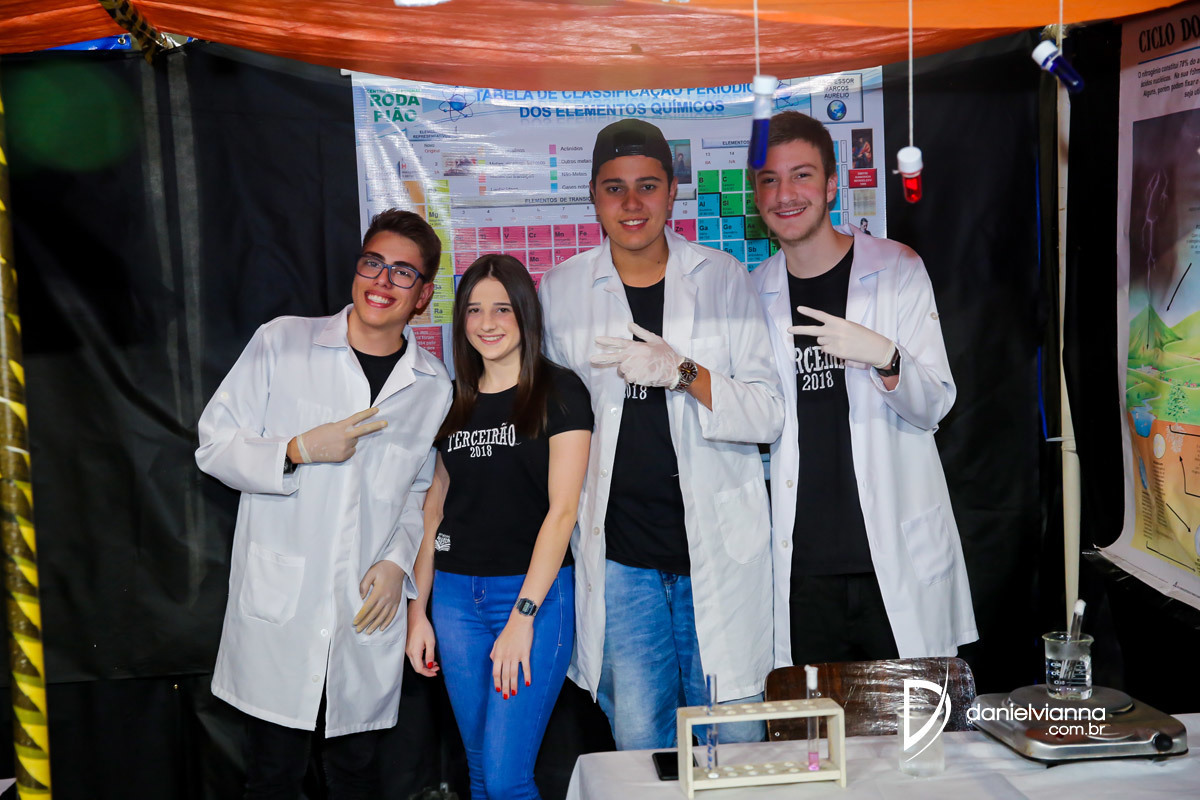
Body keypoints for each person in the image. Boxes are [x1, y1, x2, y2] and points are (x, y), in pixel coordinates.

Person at [538, 118, 784, 750]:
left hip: (718, 554)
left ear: (673, 192)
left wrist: (684, 372)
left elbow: (767, 414)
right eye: (614, 188)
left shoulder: (723, 277)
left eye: (647, 185)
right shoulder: (562, 291)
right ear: (593, 197)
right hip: (621, 563)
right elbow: (551, 430)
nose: (632, 203)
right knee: (641, 749)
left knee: (733, 745)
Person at [195, 209, 452, 799]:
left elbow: (416, 490)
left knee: (356, 774)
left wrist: (397, 563)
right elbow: (214, 444)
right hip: (283, 605)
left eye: (403, 272)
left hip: (364, 608)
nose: (382, 281)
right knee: (274, 777)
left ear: (423, 296)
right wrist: (296, 450)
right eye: (373, 263)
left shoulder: (432, 386)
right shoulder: (283, 342)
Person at [747, 111, 977, 670]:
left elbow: (934, 406)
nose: (785, 194)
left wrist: (886, 356)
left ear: (831, 185)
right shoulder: (754, 293)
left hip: (891, 556)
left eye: (802, 175)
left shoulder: (896, 268)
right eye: (770, 180)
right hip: (804, 566)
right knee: (815, 725)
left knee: (917, 721)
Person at [406, 254, 591, 799]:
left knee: (508, 778)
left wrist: (523, 617)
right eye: (474, 310)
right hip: (455, 600)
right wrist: (418, 613)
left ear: (526, 313)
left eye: (502, 309)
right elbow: (434, 509)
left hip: (532, 597)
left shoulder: (560, 391)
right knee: (482, 773)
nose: (487, 323)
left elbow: (562, 512)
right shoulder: (452, 399)